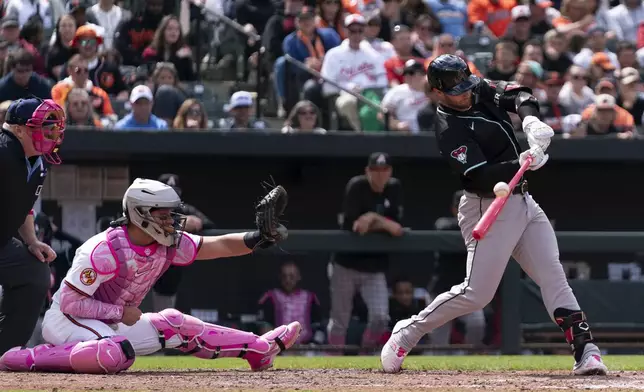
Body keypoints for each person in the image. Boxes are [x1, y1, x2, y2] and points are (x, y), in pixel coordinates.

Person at [381, 54, 608, 376]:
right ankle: (408, 331)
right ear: (437, 92)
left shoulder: (477, 89)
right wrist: (523, 161)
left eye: (466, 84)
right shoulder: (448, 128)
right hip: (486, 204)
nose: (465, 92)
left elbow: (519, 94)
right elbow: (479, 176)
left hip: (522, 200)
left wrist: (530, 120)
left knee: (553, 276)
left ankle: (586, 351)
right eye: (456, 89)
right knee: (477, 294)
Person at [0, 178, 300, 374]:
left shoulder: (166, 242)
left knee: (173, 323)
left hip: (111, 321)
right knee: (113, 354)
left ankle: (259, 349)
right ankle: (22, 358)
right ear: (141, 214)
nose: (171, 220)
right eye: (164, 215)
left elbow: (215, 245)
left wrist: (258, 238)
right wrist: (119, 311)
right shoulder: (103, 249)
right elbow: (67, 302)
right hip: (66, 321)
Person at [0, 98, 65, 356]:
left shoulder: (38, 161)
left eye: (53, 128)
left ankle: (5, 353)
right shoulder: (3, 152)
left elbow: (25, 207)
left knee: (34, 272)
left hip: (2, 243)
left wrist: (31, 241)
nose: (51, 134)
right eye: (43, 127)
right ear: (17, 129)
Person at [328, 152, 404, 350]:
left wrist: (372, 217)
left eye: (384, 170)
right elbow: (358, 227)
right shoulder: (357, 186)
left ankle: (365, 354)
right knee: (340, 319)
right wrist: (381, 222)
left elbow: (397, 229)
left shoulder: (394, 188)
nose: (380, 175)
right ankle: (333, 362)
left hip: (374, 267)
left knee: (380, 317)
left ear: (390, 171)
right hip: (346, 263)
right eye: (375, 170)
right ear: (367, 171)